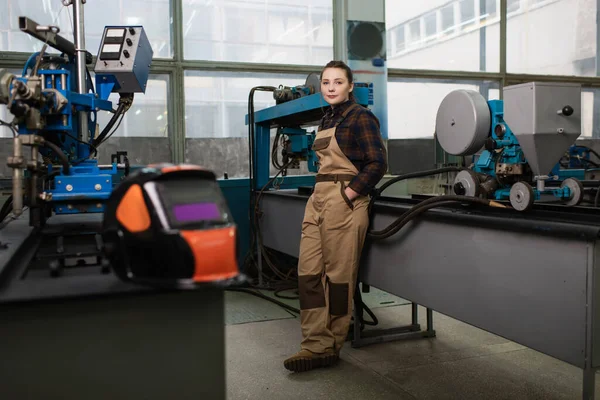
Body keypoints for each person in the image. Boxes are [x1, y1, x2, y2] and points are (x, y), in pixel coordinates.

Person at [284, 60, 388, 372]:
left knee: (339, 279)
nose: (330, 87)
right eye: (326, 82)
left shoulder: (361, 117)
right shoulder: (327, 118)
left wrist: (348, 195)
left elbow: (377, 162)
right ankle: (314, 342)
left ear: (350, 86)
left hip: (344, 200)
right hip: (318, 198)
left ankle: (331, 345)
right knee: (309, 274)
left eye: (338, 82)